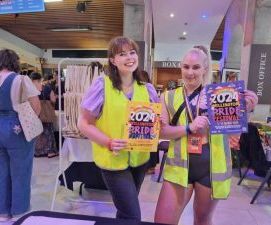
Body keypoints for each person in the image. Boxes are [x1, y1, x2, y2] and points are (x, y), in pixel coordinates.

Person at [154, 47, 258, 225]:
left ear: (205, 68)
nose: (190, 72)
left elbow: (233, 134)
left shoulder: (220, 95)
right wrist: (188, 128)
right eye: (186, 67)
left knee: (202, 220)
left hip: (211, 168)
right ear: (181, 67)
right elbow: (162, 132)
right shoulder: (167, 97)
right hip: (179, 167)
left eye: (195, 67)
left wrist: (246, 110)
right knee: (162, 220)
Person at [78, 36, 158, 221]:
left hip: (139, 160)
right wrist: (109, 142)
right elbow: (83, 123)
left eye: (132, 52)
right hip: (113, 161)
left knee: (125, 210)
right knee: (132, 214)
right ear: (113, 60)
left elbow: (156, 122)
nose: (129, 57)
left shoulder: (147, 89)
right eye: (122, 54)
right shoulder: (101, 85)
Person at [0, 49, 41, 222]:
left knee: (0, 171)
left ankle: (1, 212)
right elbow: (36, 106)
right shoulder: (21, 79)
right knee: (21, 170)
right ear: (14, 62)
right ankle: (19, 211)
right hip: (16, 126)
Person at [29, 72, 58, 158]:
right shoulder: (46, 87)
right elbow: (53, 99)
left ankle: (38, 152)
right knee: (48, 130)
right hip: (46, 112)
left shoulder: (29, 88)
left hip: (34, 113)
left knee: (37, 131)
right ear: (39, 79)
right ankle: (50, 152)